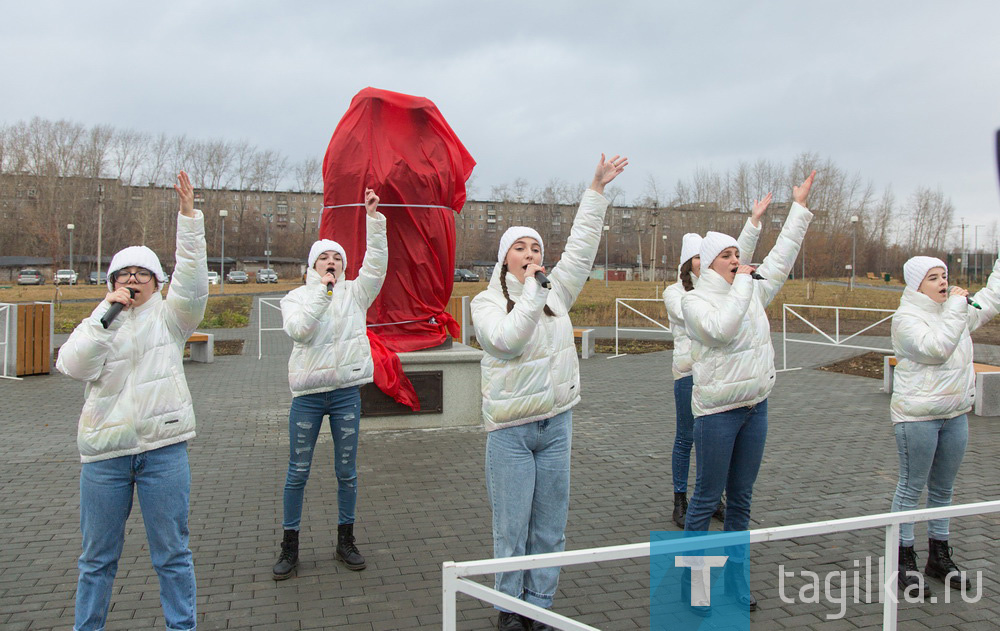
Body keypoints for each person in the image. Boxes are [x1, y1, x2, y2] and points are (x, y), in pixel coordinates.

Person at [471, 154, 627, 631]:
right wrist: (533, 294)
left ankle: (538, 605)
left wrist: (595, 193)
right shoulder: (486, 302)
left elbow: (580, 250)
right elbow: (508, 340)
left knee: (550, 528)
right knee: (512, 530)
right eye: (520, 248)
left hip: (556, 426)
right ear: (505, 258)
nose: (531, 254)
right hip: (511, 434)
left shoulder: (555, 292)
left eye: (536, 248)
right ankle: (508, 608)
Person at [57, 171, 208, 631]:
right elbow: (72, 365)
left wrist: (188, 218)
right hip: (105, 458)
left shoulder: (172, 317)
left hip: (163, 453)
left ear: (158, 280)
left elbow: (194, 281)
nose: (133, 279)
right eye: (125, 273)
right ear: (112, 281)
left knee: (173, 555)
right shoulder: (101, 321)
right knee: (96, 560)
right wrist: (107, 318)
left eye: (143, 272)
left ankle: (182, 626)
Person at [680, 172, 815, 613]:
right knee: (705, 498)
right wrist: (743, 279)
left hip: (755, 408)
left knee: (741, 500)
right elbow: (722, 330)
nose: (737, 259)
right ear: (709, 262)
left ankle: (736, 584)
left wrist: (796, 211)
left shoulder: (750, 287)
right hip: (717, 414)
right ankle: (695, 587)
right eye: (727, 255)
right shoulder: (696, 302)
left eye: (738, 254)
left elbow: (779, 259)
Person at [272, 188, 386, 580]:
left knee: (347, 471)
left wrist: (374, 220)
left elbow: (378, 264)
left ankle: (345, 540)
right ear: (313, 264)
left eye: (338, 257)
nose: (333, 261)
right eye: (325, 256)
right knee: (297, 472)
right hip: (308, 398)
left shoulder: (356, 293)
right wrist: (323, 291)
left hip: (345, 395)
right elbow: (300, 332)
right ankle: (290, 545)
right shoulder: (296, 298)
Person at [888, 255, 1000, 596]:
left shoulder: (955, 311)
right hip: (918, 418)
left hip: (955, 415)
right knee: (911, 488)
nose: (942, 282)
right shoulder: (905, 318)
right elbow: (936, 348)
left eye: (944, 276)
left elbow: (992, 297)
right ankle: (902, 559)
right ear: (916, 284)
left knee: (943, 490)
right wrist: (955, 307)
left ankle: (939, 556)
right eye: (933, 277)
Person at [663, 193, 771, 527]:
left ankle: (731, 565)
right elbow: (718, 328)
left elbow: (740, 258)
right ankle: (681, 498)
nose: (698, 262)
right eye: (694, 258)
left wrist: (753, 223)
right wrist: (737, 281)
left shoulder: (732, 284)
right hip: (690, 376)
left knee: (739, 493)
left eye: (702, 257)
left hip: (734, 385)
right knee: (686, 439)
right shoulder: (682, 295)